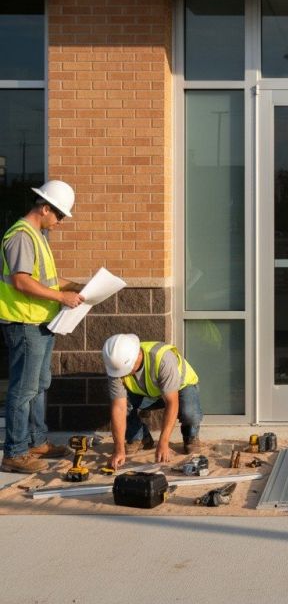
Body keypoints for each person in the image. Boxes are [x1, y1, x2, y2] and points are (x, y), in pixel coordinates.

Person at [0, 181, 84, 474]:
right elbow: (22, 281)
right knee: (23, 390)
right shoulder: (21, 236)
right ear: (44, 207)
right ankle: (14, 452)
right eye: (59, 215)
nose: (60, 222)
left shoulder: (38, 236)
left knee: (38, 385)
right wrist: (62, 296)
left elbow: (46, 278)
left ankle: (36, 441)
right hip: (25, 323)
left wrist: (75, 287)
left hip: (41, 323)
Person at [102, 333, 203, 469]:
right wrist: (119, 449)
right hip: (148, 393)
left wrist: (164, 442)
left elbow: (172, 403)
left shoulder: (162, 359)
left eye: (126, 369)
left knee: (189, 413)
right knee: (124, 406)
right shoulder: (117, 366)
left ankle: (190, 435)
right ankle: (140, 437)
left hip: (180, 388)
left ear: (138, 355)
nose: (122, 373)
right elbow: (118, 408)